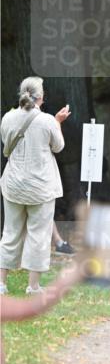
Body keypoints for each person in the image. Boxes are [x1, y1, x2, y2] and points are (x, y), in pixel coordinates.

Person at [0, 77, 71, 295]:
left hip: (13, 184)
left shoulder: (8, 117)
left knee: (10, 233)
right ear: (41, 96)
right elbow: (58, 147)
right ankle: (33, 286)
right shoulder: (47, 120)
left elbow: (5, 143)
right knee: (38, 235)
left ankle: (1, 283)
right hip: (40, 186)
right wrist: (58, 122)